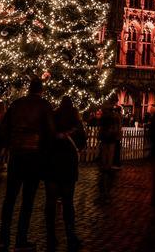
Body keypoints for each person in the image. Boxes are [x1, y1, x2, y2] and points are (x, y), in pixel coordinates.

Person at [0, 77, 54, 252]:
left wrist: (10, 145)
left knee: (10, 198)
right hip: (34, 156)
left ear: (29, 89)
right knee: (27, 200)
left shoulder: (17, 104)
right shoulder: (44, 106)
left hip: (17, 154)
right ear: (41, 90)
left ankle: (3, 238)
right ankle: (21, 239)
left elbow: (4, 127)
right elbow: (50, 132)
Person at [46, 96, 87, 251]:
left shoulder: (53, 120)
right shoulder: (76, 122)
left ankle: (51, 236)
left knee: (50, 203)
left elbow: (46, 139)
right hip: (68, 166)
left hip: (52, 165)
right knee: (68, 202)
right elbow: (83, 142)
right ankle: (70, 236)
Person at [97, 103, 119, 203]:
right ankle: (105, 193)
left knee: (105, 167)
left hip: (108, 142)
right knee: (106, 167)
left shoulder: (108, 119)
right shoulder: (110, 118)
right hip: (108, 142)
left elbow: (107, 130)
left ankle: (104, 193)